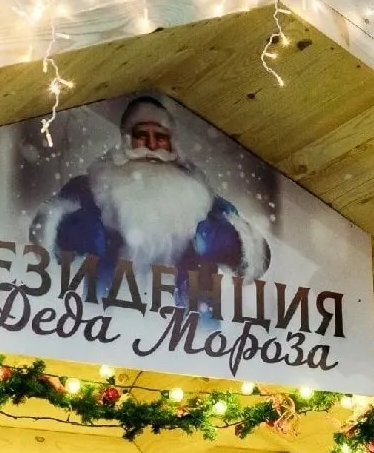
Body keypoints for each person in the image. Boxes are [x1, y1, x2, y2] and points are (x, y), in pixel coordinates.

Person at [29, 96, 270, 310]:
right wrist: (75, 231)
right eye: (142, 136)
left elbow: (256, 259)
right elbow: (43, 236)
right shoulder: (90, 187)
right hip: (104, 324)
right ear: (126, 141)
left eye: (161, 138)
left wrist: (224, 241)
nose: (152, 146)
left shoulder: (202, 198)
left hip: (190, 333)